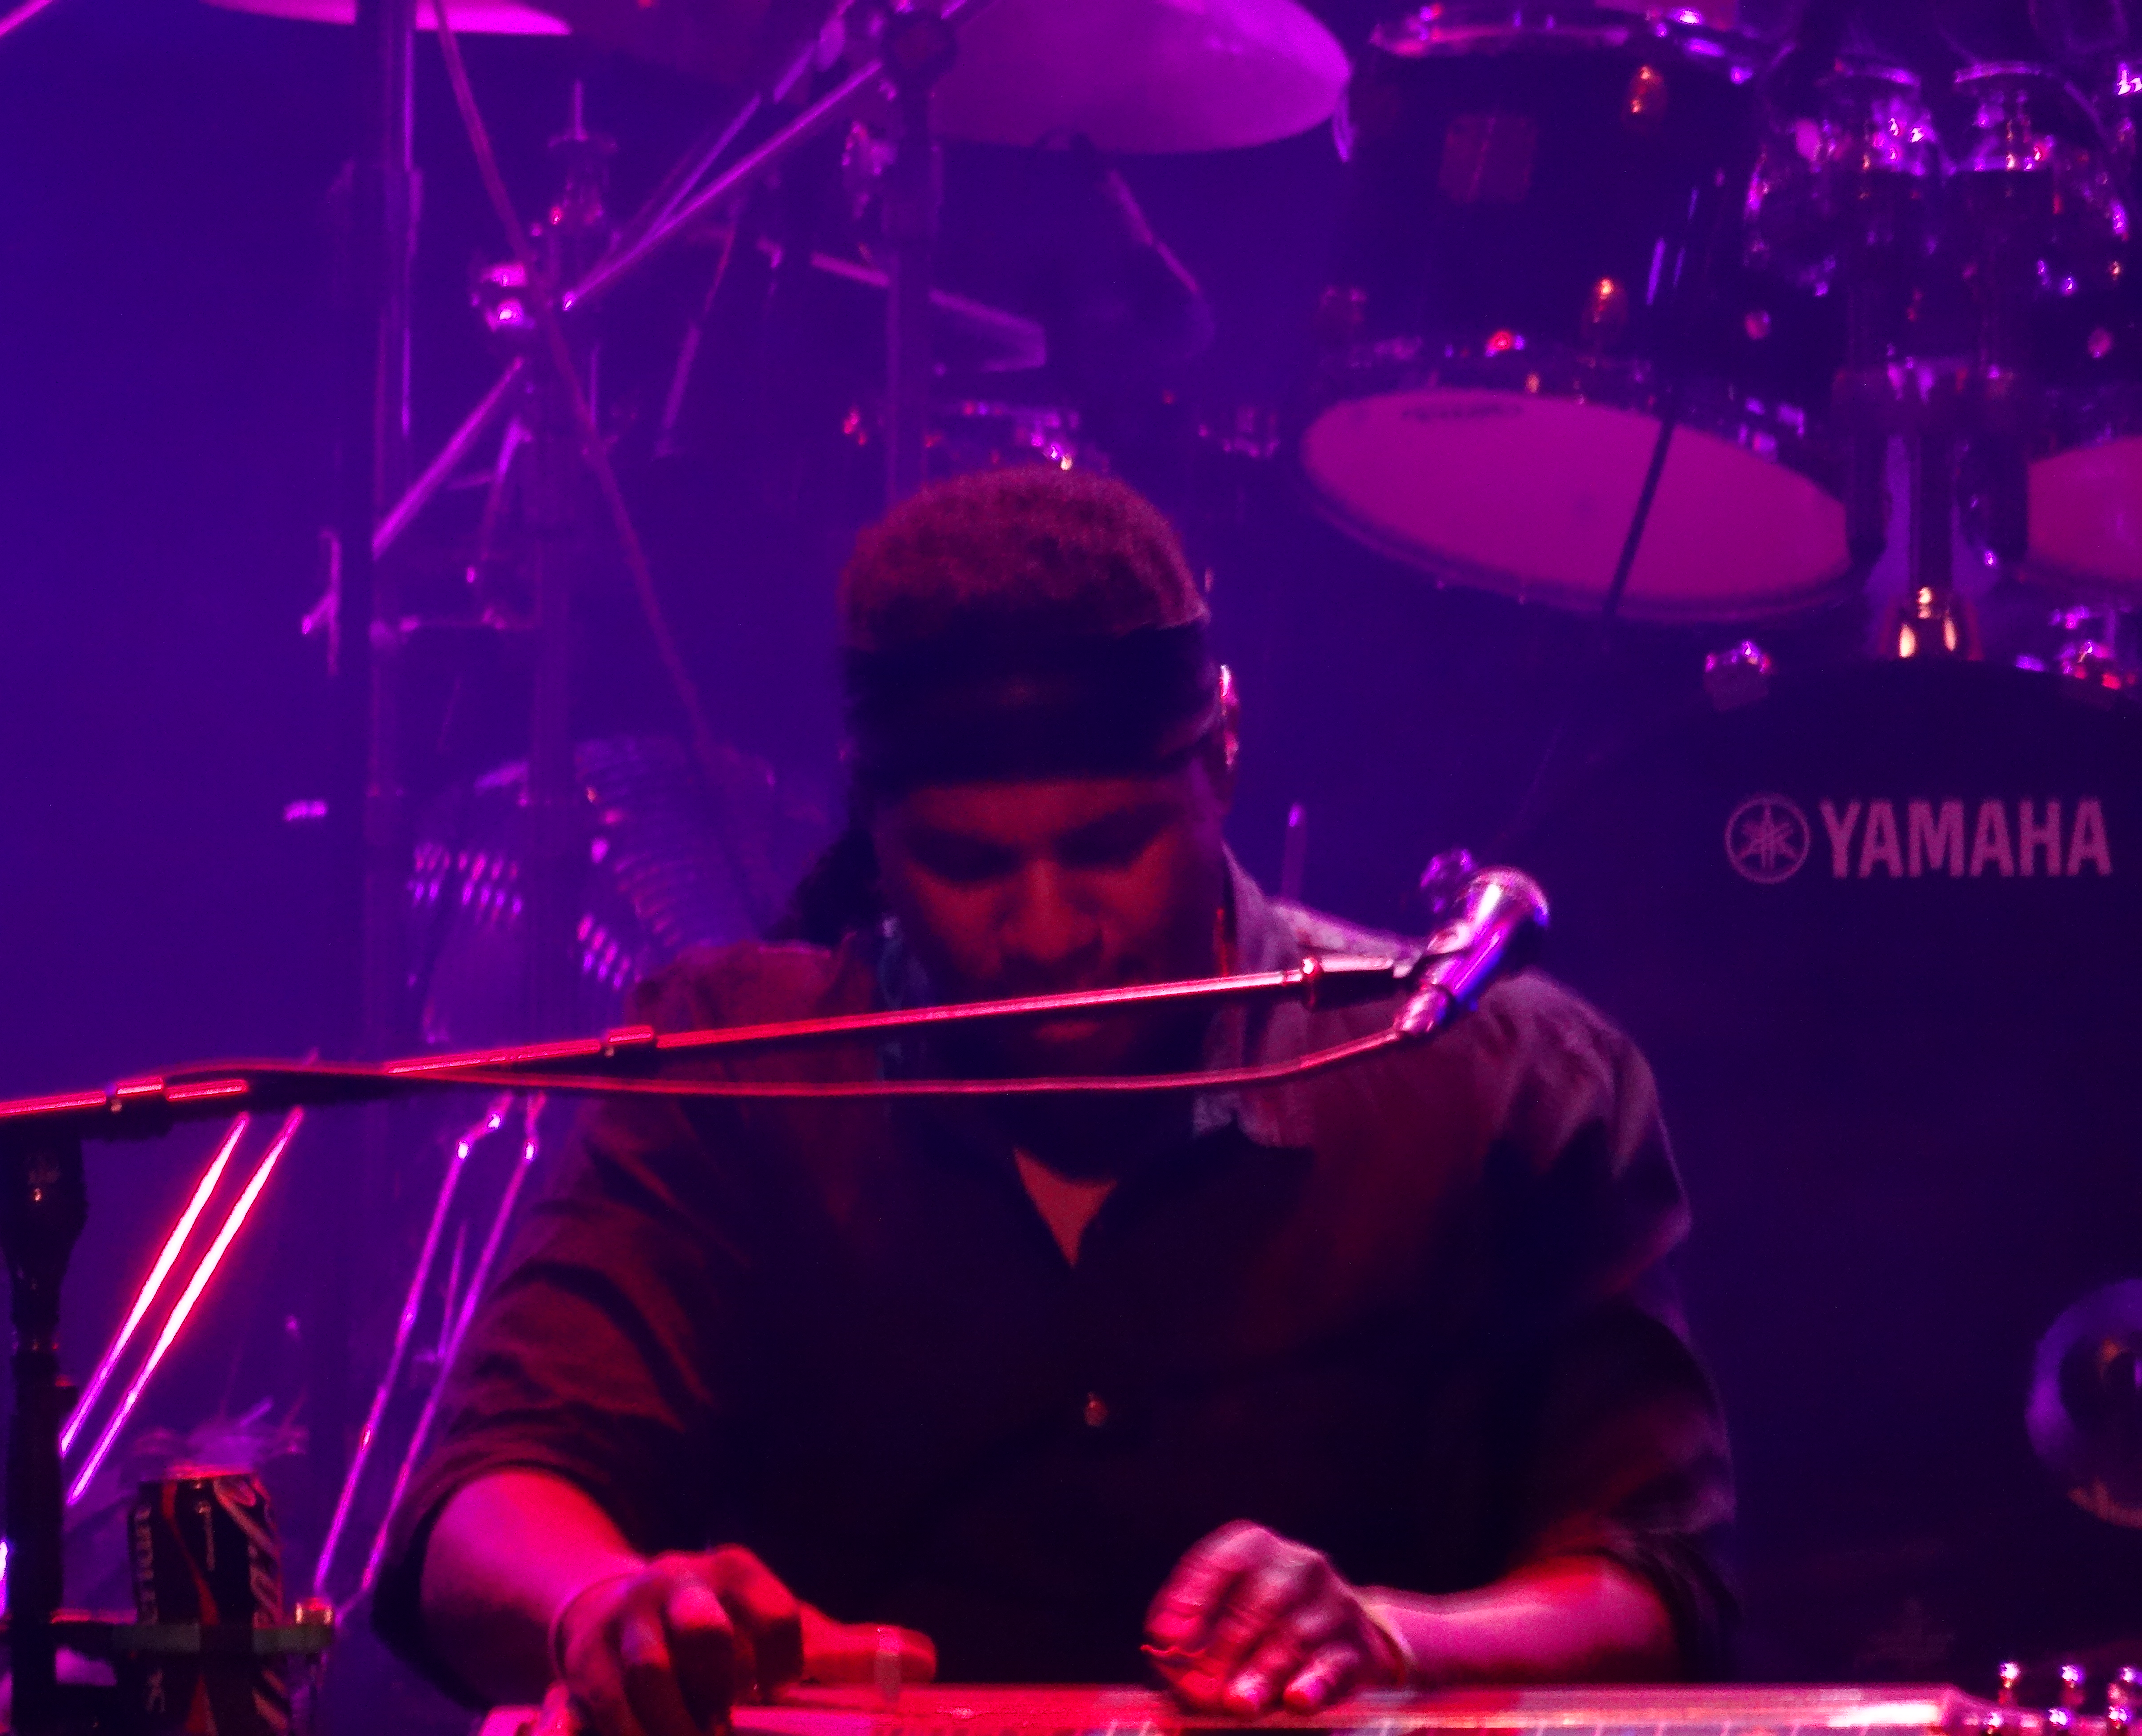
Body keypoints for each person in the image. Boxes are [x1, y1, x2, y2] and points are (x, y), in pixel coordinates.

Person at [371, 467, 1733, 1736]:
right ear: (870, 823)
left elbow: (1656, 1584)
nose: (1044, 932)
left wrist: (1399, 1640)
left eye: (1109, 847)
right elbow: (481, 1511)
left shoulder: (1501, 1086)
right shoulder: (735, 1070)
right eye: (965, 866)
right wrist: (603, 1611)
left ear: (1224, 757)